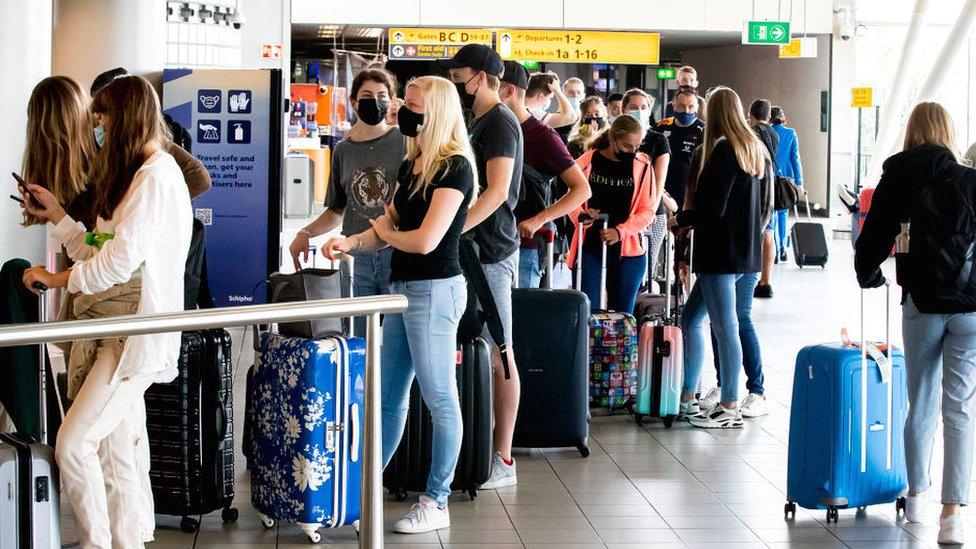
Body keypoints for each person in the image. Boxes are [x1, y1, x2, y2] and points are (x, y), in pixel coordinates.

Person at [19, 75, 192, 548]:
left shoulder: (156, 176)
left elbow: (118, 261)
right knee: (117, 454)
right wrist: (58, 215)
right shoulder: (135, 177)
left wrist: (58, 280)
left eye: (103, 118)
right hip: (111, 329)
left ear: (127, 118)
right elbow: (98, 248)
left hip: (131, 335)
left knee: (73, 445)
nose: (96, 127)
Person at [322, 75, 474, 534]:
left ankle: (437, 498)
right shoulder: (414, 164)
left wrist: (386, 236)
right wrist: (349, 241)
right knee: (388, 397)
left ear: (437, 112)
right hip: (403, 291)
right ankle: (366, 486)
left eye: (409, 104)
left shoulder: (454, 168)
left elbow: (425, 240)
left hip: (435, 291)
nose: (397, 112)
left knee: (440, 397)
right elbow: (384, 225)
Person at [855, 102, 976, 546]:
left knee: (921, 401)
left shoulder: (898, 176)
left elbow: (874, 236)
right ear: (948, 130)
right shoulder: (967, 178)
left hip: (921, 303)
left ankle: (918, 498)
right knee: (960, 407)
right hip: (971, 307)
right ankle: (953, 515)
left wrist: (868, 273)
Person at [443, 44, 524, 489]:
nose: (456, 81)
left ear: (481, 76)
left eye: (460, 74)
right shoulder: (478, 122)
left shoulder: (500, 123)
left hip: (491, 253)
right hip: (473, 252)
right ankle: (480, 448)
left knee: (501, 354)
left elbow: (495, 194)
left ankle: (503, 458)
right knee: (484, 350)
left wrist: (450, 231)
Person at [671, 87, 766, 429]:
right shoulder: (752, 150)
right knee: (692, 319)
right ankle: (687, 395)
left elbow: (712, 207)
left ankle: (729, 403)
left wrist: (680, 219)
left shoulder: (724, 151)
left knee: (725, 328)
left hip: (719, 254)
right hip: (743, 254)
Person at [288, 68, 405, 334]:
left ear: (391, 101)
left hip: (396, 254)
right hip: (356, 257)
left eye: (381, 95)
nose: (374, 101)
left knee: (396, 343)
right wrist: (305, 233)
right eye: (366, 95)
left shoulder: (405, 143)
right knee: (360, 342)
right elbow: (338, 209)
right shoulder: (344, 149)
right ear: (353, 101)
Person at [499, 61, 591, 289]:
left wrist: (538, 220)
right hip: (490, 244)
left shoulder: (542, 135)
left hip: (525, 245)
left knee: (522, 317)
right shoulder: (488, 128)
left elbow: (581, 189)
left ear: (507, 90)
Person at [566, 115, 656, 315]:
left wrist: (620, 232)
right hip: (589, 246)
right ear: (613, 139)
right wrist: (582, 215)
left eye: (637, 146)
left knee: (624, 317)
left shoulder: (642, 166)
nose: (632, 152)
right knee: (589, 313)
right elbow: (570, 200)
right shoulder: (587, 162)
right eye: (626, 146)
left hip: (629, 252)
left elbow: (648, 211)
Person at [90, 67, 211, 200]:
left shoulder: (155, 146)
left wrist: (166, 205)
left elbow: (199, 179)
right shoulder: (106, 141)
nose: (100, 122)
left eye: (104, 112)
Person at [621, 89, 671, 285]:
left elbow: (659, 182)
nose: (639, 111)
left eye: (643, 107)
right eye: (633, 107)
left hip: (651, 213)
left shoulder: (658, 140)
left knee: (644, 270)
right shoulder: (611, 137)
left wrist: (648, 213)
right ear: (623, 109)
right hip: (622, 212)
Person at [655, 88, 705, 214]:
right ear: (674, 105)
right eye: (682, 106)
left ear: (697, 107)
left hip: (689, 193)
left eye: (691, 107)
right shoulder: (662, 126)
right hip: (662, 190)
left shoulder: (704, 131)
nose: (687, 111)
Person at [749, 99, 779, 299]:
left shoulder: (752, 134)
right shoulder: (774, 134)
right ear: (769, 117)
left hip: (757, 187)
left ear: (750, 115)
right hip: (772, 187)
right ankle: (765, 281)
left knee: (756, 232)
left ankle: (750, 276)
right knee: (769, 233)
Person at [770, 106, 804, 262]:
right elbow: (795, 159)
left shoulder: (765, 132)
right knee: (783, 214)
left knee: (771, 215)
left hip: (769, 178)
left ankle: (774, 249)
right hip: (786, 181)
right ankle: (783, 247)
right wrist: (799, 183)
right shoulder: (790, 133)